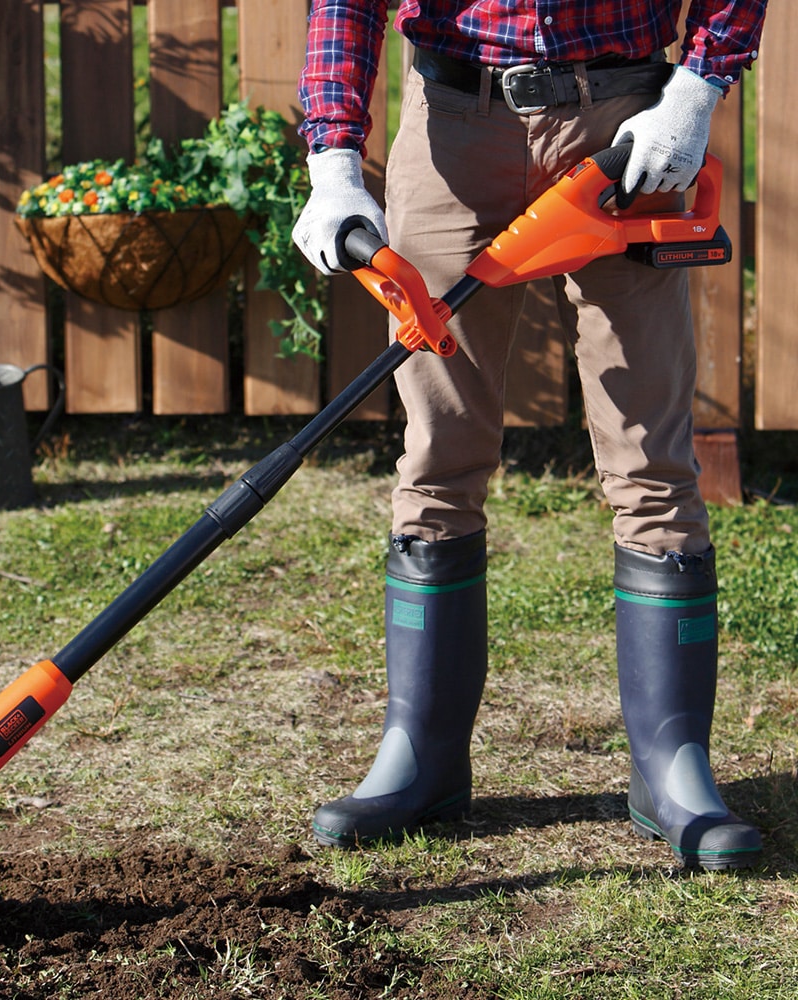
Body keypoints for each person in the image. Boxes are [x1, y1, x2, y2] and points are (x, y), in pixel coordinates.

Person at [292, 1, 768, 869]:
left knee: (652, 462)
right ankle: (421, 757)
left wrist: (697, 90)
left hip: (630, 125)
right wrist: (331, 160)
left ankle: (673, 767)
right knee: (437, 453)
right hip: (454, 130)